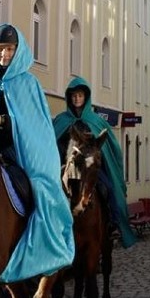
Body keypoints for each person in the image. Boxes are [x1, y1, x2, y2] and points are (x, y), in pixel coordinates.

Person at [0, 24, 74, 282]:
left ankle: (35, 242)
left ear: (17, 50)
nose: (4, 55)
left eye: (9, 49)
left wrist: (6, 122)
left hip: (13, 151)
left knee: (33, 189)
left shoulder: (28, 83)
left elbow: (35, 127)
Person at [52, 77, 138, 248]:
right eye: (74, 96)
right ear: (70, 98)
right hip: (67, 168)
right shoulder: (61, 120)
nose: (77, 99)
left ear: (86, 98)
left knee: (108, 188)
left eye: (80, 96)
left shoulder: (95, 121)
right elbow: (53, 143)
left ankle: (113, 223)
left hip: (90, 170)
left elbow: (109, 146)